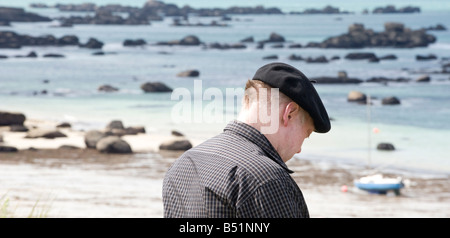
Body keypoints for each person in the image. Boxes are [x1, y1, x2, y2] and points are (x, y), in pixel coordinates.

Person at [162, 62, 331, 218]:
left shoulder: (184, 162)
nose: (300, 149)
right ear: (289, 114)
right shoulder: (266, 180)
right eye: (306, 134)